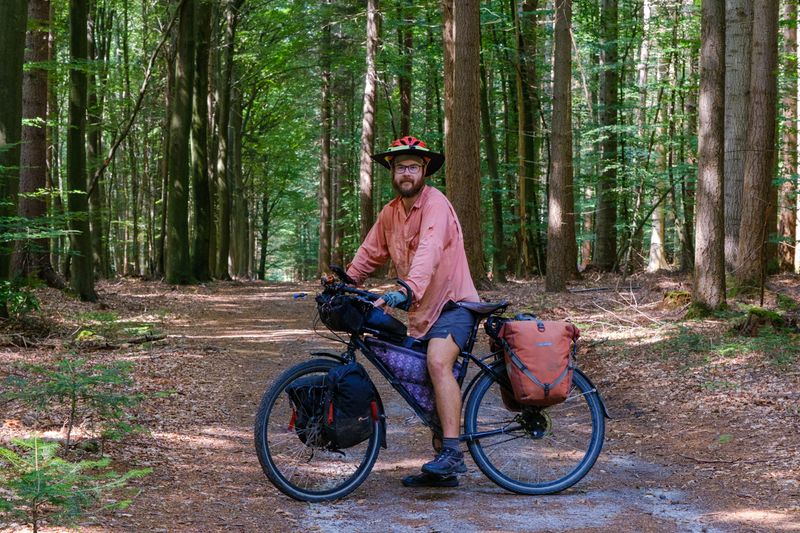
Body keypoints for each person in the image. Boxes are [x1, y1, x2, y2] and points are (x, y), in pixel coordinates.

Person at [346, 136, 480, 488]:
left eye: (413, 167)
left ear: (424, 171)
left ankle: (452, 452)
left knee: (438, 362)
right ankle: (442, 465)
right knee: (422, 378)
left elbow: (430, 250)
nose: (406, 173)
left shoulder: (436, 204)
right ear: (392, 172)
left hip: (455, 305)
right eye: (400, 166)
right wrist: (344, 279)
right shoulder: (390, 212)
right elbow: (370, 253)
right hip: (423, 311)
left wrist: (406, 289)